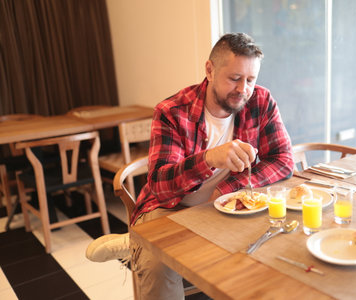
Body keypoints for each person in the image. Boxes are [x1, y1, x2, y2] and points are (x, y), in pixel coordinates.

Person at [87, 32, 294, 299]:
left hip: (230, 207)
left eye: (250, 80)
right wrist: (209, 159)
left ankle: (133, 244)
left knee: (280, 245)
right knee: (158, 266)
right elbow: (160, 186)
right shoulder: (172, 111)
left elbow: (283, 159)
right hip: (172, 208)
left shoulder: (260, 101)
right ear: (209, 70)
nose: (244, 89)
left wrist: (231, 186)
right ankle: (138, 244)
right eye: (234, 78)